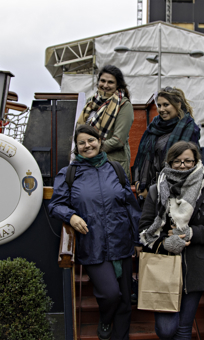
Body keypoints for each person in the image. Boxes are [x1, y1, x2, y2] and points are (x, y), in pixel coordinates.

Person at [48, 125, 142, 340]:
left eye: (91, 140)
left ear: (100, 141)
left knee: (125, 300)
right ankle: (106, 319)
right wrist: (71, 216)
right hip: (92, 244)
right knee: (110, 294)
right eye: (82, 142)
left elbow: (131, 206)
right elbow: (55, 205)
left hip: (121, 242)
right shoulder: (69, 173)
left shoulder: (116, 169)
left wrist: (137, 239)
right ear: (77, 146)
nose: (87, 145)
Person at [138, 141, 204, 340]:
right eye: (177, 161)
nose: (183, 165)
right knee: (166, 329)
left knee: (184, 329)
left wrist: (192, 233)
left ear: (196, 161)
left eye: (188, 161)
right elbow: (144, 227)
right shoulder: (156, 190)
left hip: (194, 266)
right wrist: (164, 242)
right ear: (169, 162)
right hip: (163, 265)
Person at [132, 87, 200, 202]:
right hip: (148, 190)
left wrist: (157, 188)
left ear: (178, 105)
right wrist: (138, 181)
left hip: (176, 191)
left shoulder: (189, 129)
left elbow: (189, 165)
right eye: (159, 105)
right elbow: (142, 157)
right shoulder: (154, 127)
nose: (161, 109)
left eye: (166, 105)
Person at [77, 65, 134, 178]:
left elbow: (118, 140)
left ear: (118, 85)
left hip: (111, 165)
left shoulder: (124, 105)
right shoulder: (91, 102)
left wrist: (91, 148)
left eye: (110, 82)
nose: (105, 85)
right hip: (88, 162)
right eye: (102, 81)